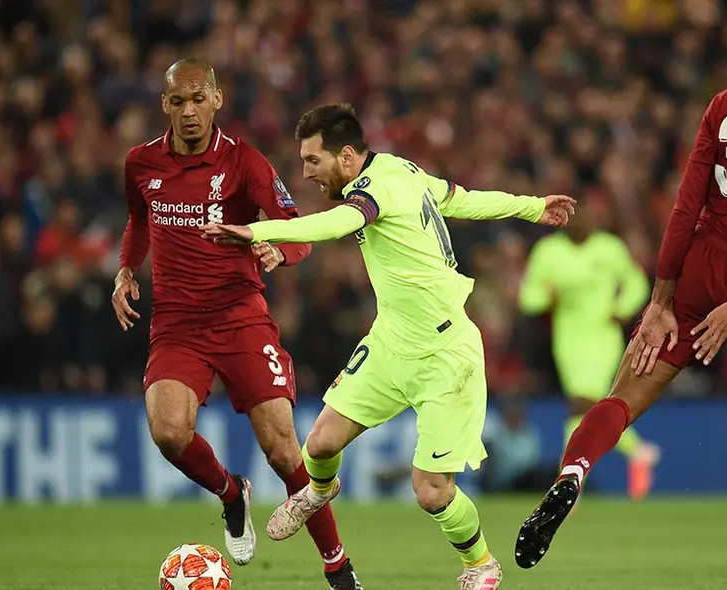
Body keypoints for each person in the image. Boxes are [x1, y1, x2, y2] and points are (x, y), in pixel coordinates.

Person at [515, 4, 727, 589]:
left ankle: (575, 468)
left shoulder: (725, 103)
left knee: (623, 396)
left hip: (697, 272)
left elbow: (686, 205)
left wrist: (661, 299)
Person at [201, 102, 575, 590]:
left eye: (314, 160)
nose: (307, 171)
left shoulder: (374, 189)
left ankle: (480, 563)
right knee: (319, 445)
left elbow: (336, 225)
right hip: (390, 342)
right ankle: (319, 490)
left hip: (445, 355)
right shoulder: (401, 170)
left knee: (431, 491)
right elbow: (460, 198)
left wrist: (256, 230)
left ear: (348, 156)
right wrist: (531, 205)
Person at [112, 59, 361, 590]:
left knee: (284, 449)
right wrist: (125, 269)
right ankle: (231, 493)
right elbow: (139, 219)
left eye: (199, 99)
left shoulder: (245, 162)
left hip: (241, 316)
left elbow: (298, 228)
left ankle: (339, 569)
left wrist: (277, 249)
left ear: (217, 100)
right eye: (178, 101)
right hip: (177, 323)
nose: (189, 112)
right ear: (165, 105)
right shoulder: (140, 163)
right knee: (169, 433)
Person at [517, 198, 659, 498]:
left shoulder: (609, 248)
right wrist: (547, 299)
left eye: (588, 218)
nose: (582, 224)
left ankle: (569, 480)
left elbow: (635, 282)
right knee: (587, 407)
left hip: (602, 335)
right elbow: (529, 296)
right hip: (568, 338)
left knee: (581, 403)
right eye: (575, 219)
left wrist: (623, 309)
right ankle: (636, 451)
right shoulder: (548, 252)